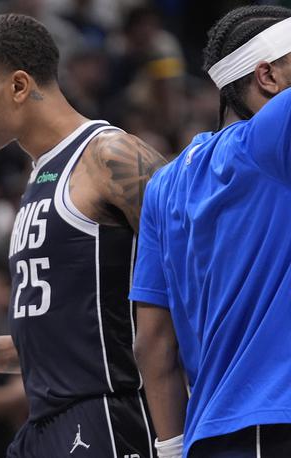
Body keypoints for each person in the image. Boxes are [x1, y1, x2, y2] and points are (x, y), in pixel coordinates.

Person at [0, 13, 166, 458]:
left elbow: (204, 269)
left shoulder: (109, 156)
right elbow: (65, 337)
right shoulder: (42, 176)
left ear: (19, 86)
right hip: (44, 419)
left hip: (109, 413)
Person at [130, 5, 291, 458]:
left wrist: (171, 449)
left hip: (209, 435)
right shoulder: (273, 137)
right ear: (268, 77)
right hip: (277, 421)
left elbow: (154, 343)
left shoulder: (165, 183)